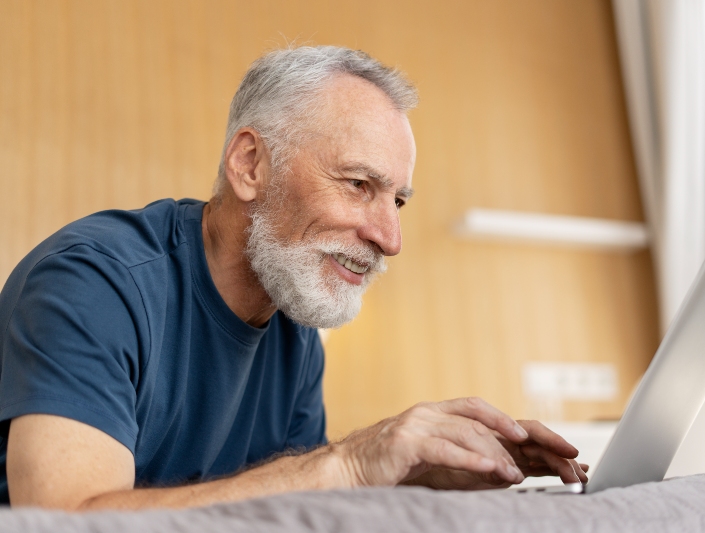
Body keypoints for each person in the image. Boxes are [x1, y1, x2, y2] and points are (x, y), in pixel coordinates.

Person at [0, 46, 587, 510]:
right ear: (250, 165)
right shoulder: (94, 285)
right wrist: (351, 464)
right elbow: (61, 521)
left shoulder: (293, 325)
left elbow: (285, 504)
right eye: (359, 185)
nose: (390, 239)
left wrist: (416, 475)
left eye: (398, 201)